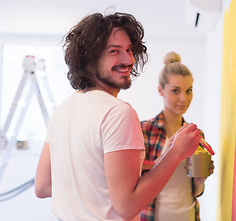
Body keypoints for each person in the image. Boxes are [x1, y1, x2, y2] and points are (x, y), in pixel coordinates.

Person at [34, 12, 201, 221]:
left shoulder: (63, 110)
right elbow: (127, 206)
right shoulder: (118, 113)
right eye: (114, 51)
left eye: (129, 50)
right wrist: (175, 153)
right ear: (89, 58)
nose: (127, 59)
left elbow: (43, 185)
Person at [140, 52, 213, 221]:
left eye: (189, 91)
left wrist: (200, 181)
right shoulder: (144, 130)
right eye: (175, 91)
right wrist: (166, 155)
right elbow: (135, 185)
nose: (184, 98)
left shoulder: (196, 134)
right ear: (160, 90)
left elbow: (195, 191)